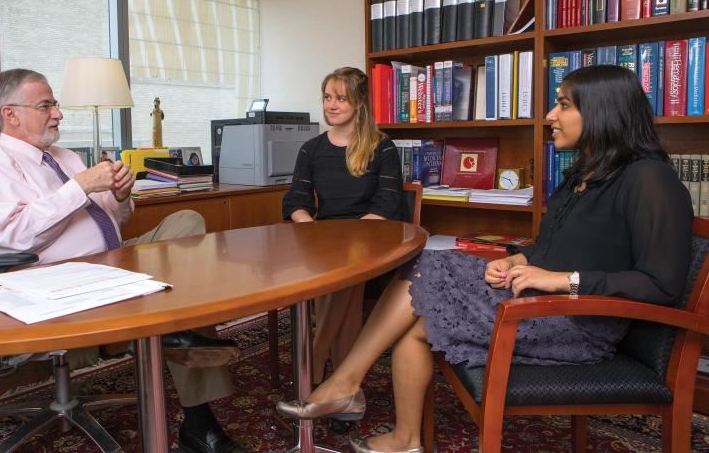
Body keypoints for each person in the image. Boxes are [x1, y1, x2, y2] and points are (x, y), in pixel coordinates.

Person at [276, 65, 694, 453]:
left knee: (423, 282)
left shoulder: (650, 179)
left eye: (564, 105)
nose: (550, 115)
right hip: (542, 302)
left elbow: (662, 284)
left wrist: (562, 280)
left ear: (603, 112)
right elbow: (551, 248)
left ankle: (349, 386)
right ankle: (397, 431)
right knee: (421, 297)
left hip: (579, 324)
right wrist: (515, 261)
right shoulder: (584, 174)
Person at [0, 69, 249, 453]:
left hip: (112, 260)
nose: (58, 114)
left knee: (187, 221)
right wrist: (79, 187)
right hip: (57, 278)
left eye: (55, 104)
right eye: (45, 106)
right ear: (9, 114)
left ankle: (168, 328)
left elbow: (113, 221)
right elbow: (10, 239)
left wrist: (120, 196)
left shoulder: (65, 157)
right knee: (179, 303)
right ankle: (197, 412)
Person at [282, 67, 403, 392]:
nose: (331, 105)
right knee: (343, 275)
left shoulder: (382, 147)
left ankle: (314, 364)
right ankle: (345, 387)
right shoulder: (311, 149)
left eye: (341, 98)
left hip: (372, 239)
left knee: (348, 272)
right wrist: (313, 229)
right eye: (327, 97)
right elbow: (296, 201)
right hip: (324, 242)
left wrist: (347, 240)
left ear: (359, 102)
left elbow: (388, 203)